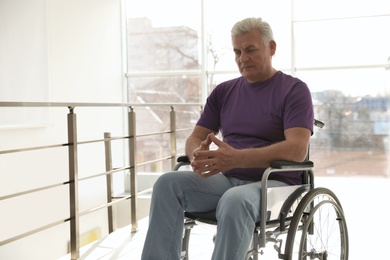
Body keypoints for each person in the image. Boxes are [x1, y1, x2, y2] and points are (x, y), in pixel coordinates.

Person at [141, 17, 314, 260]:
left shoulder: (294, 90)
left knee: (235, 200)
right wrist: (197, 155)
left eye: (251, 49)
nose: (242, 58)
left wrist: (236, 158)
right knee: (167, 184)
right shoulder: (224, 91)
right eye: (237, 52)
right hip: (229, 180)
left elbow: (297, 149)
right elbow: (195, 137)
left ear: (271, 48)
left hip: (276, 183)